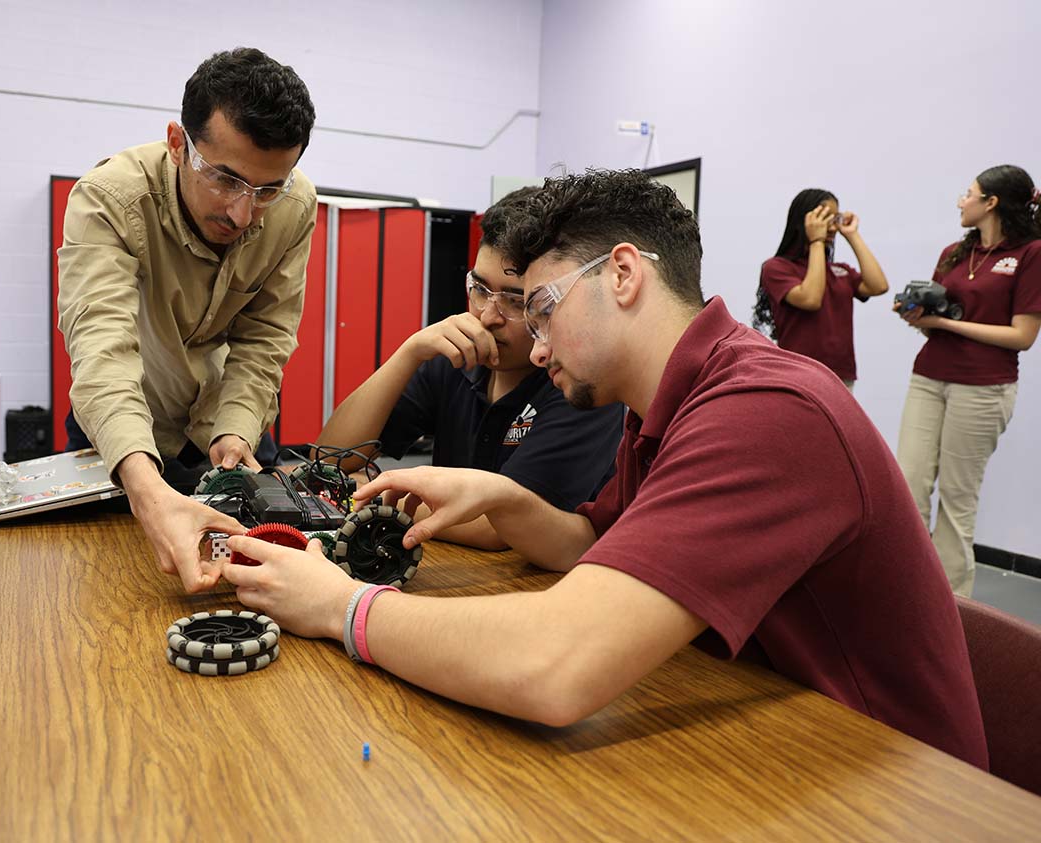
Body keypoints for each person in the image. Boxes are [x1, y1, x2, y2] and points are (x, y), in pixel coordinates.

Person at [220, 169, 988, 769]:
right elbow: (594, 544)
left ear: (622, 275)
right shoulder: (659, 398)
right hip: (767, 728)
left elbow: (556, 665)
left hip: (888, 781)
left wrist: (340, 605)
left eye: (543, 306)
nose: (537, 343)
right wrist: (501, 494)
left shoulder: (768, 407)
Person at [57, 47, 317, 593]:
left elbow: (266, 335)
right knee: (100, 589)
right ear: (178, 144)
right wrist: (146, 489)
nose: (242, 214)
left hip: (222, 427)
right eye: (225, 179)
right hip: (124, 434)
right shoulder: (108, 199)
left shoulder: (295, 207)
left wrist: (238, 428)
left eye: (267, 189)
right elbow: (101, 350)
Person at [315, 187, 623, 549]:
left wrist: (363, 496)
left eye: (514, 299)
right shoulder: (456, 361)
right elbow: (331, 459)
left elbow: (498, 530)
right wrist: (409, 353)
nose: (487, 316)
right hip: (448, 567)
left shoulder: (579, 387)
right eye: (479, 289)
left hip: (532, 590)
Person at [894, 164, 1041, 596]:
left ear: (991, 203)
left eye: (969, 193)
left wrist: (950, 325)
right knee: (908, 488)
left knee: (957, 502)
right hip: (929, 377)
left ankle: (953, 609)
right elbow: (933, 324)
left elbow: (1023, 336)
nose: (962, 200)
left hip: (983, 387)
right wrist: (920, 319)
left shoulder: (1031, 254)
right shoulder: (954, 253)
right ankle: (906, 594)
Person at [752, 189, 889, 388]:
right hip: (798, 374)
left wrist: (852, 235)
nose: (832, 227)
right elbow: (811, 299)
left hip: (841, 375)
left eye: (835, 218)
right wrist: (816, 240)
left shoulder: (839, 270)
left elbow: (878, 286)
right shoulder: (776, 268)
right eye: (825, 218)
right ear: (805, 220)